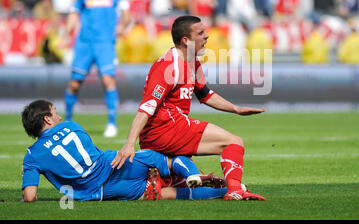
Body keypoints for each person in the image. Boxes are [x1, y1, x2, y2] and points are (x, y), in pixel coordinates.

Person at [112, 15, 266, 201]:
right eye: (201, 33)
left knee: (182, 185)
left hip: (167, 129)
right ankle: (235, 191)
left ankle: (160, 183)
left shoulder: (193, 62)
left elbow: (205, 94)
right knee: (233, 143)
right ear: (186, 40)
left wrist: (236, 109)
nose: (207, 36)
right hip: (165, 128)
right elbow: (147, 107)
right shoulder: (168, 66)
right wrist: (129, 143)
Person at [21, 100, 228, 202]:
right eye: (55, 113)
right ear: (47, 119)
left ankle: (223, 193)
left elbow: (30, 196)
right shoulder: (71, 126)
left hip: (99, 192)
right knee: (166, 159)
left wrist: (28, 193)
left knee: (163, 195)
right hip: (114, 164)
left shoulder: (32, 156)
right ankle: (190, 173)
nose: (59, 116)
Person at [63, 0, 131, 138]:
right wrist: (66, 34)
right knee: (75, 84)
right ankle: (68, 120)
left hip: (105, 43)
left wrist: (123, 26)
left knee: (108, 80)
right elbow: (74, 13)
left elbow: (126, 14)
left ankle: (111, 123)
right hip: (84, 43)